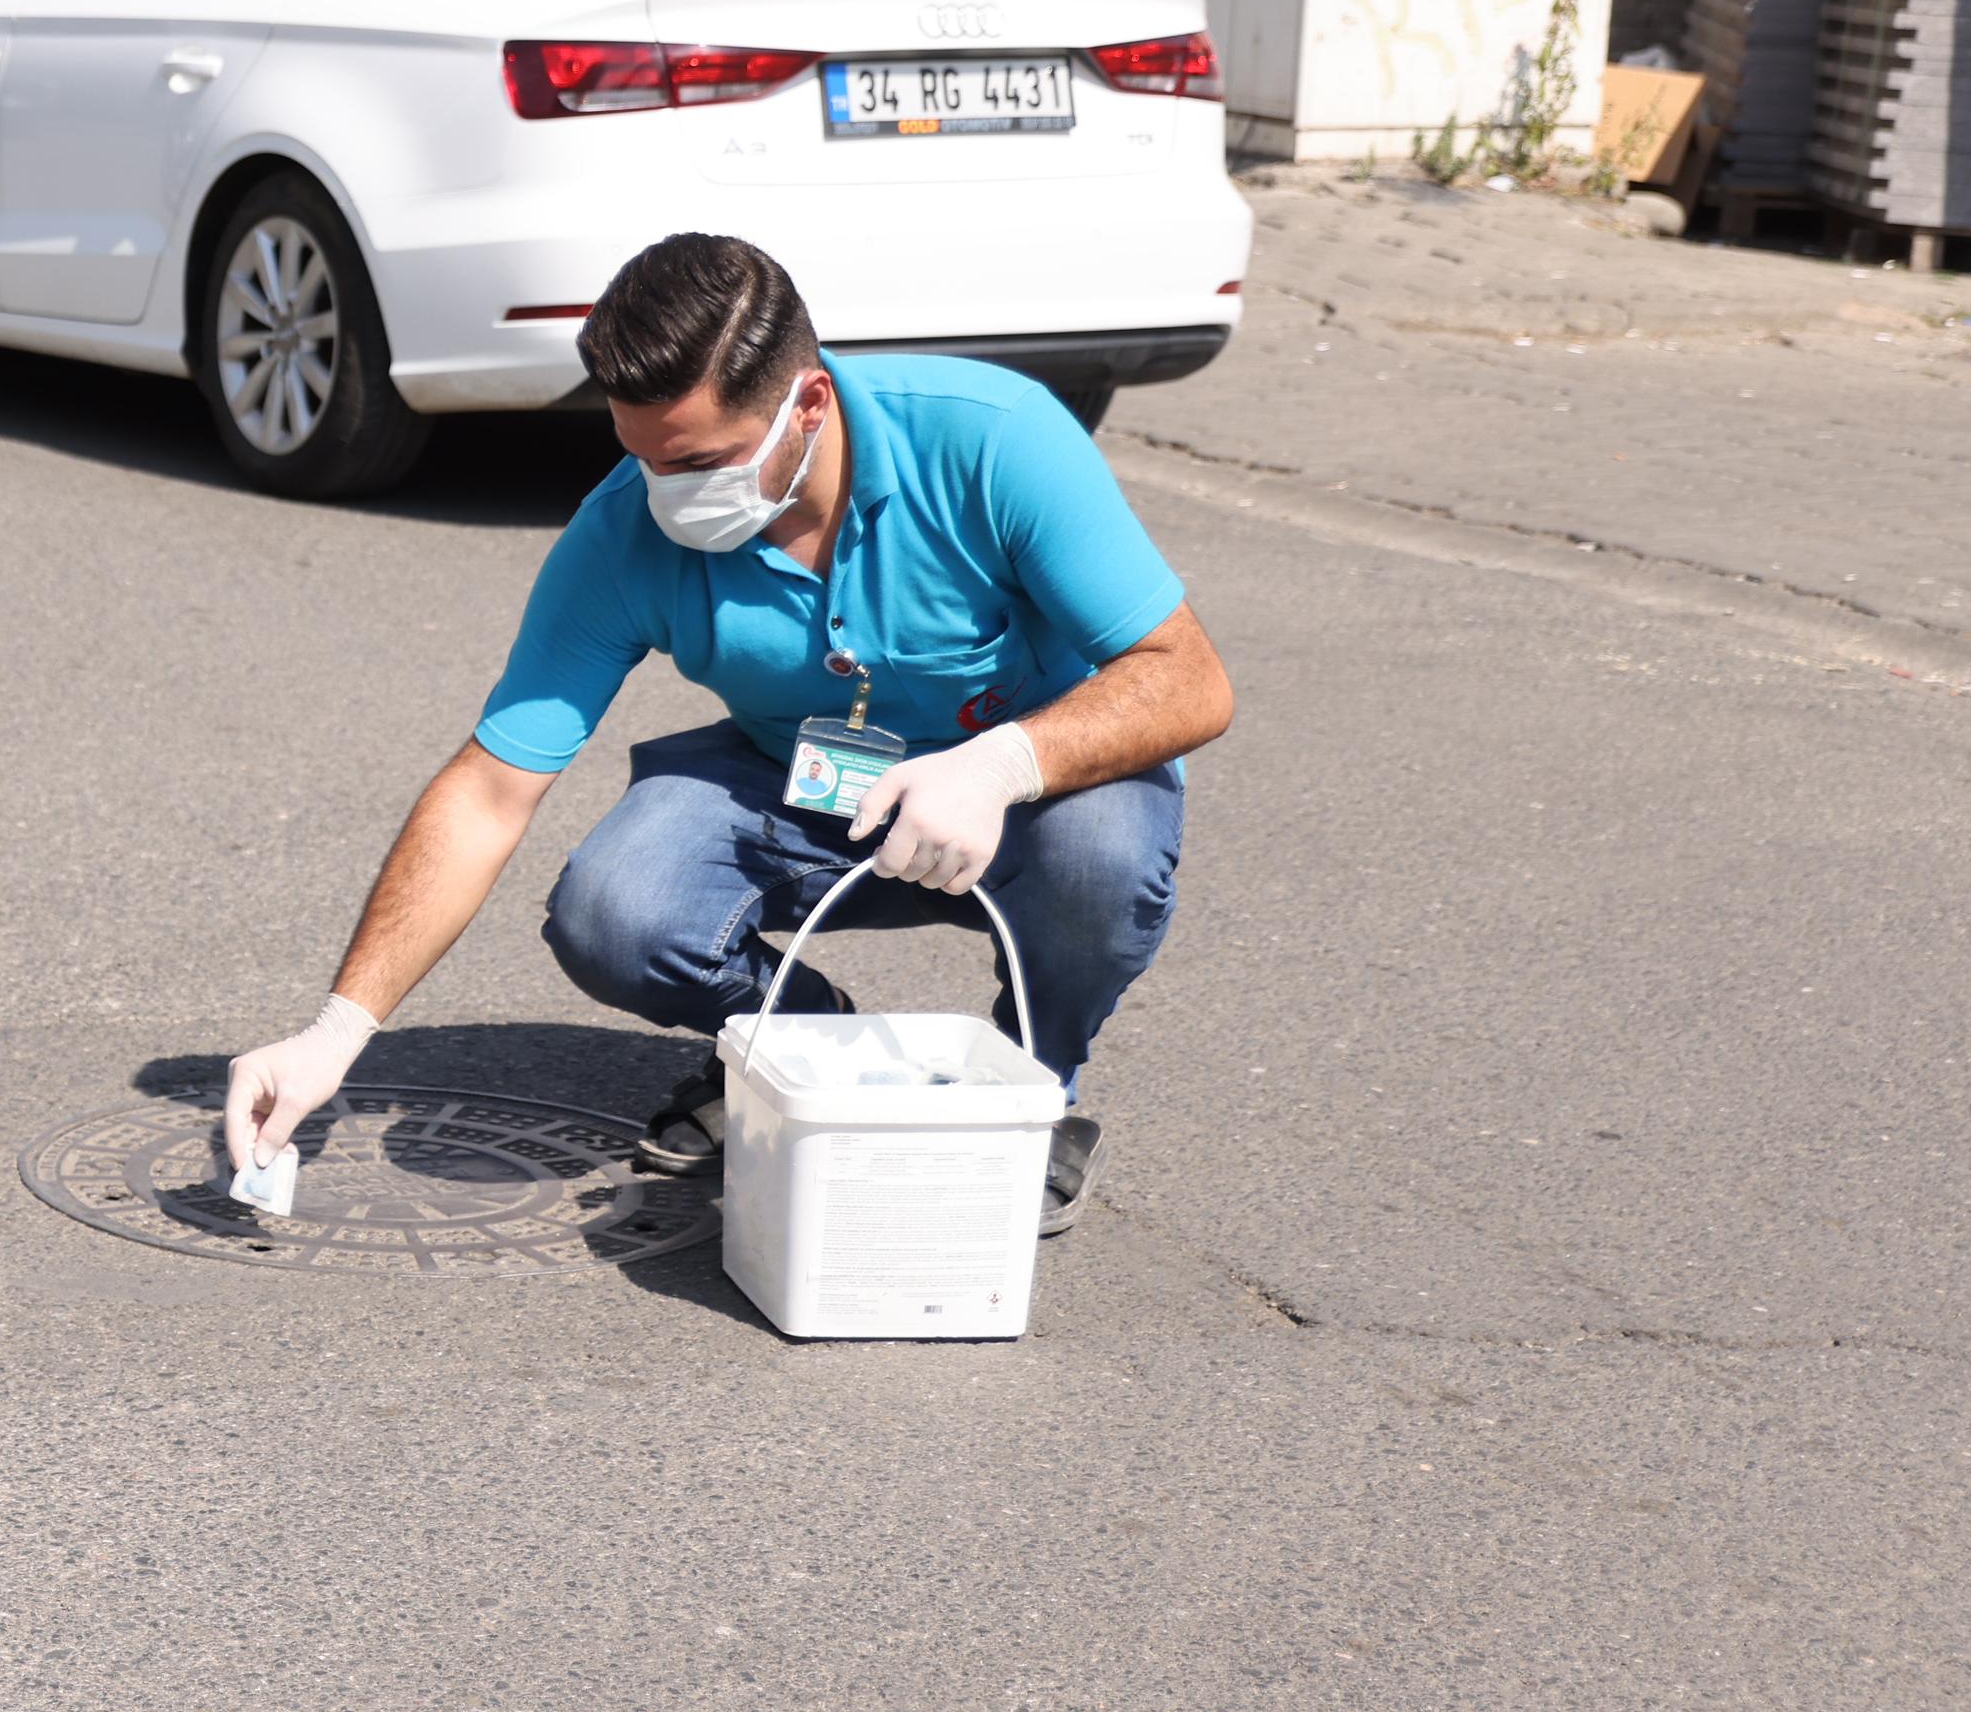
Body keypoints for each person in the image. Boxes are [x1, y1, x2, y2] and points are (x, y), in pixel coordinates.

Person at [222, 232, 1232, 1232]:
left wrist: (1003, 763)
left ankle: (1029, 1085)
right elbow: (487, 788)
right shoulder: (625, 528)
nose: (665, 493)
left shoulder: (990, 437)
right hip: (799, 784)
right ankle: (794, 1045)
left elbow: (1186, 678)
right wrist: (334, 1030)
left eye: (697, 460)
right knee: (614, 906)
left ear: (807, 401)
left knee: (1101, 858)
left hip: (1025, 793)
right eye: (640, 456)